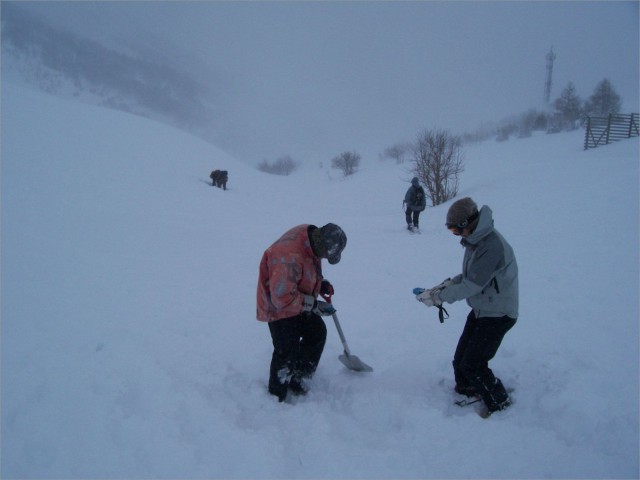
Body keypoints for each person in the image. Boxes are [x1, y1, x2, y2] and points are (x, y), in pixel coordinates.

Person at [415, 197, 518, 416]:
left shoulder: (491, 246)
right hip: (483, 309)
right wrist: (445, 286)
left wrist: (440, 298)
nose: (456, 235)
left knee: (473, 363)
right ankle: (468, 389)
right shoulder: (476, 240)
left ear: (468, 224)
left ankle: (499, 403)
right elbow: (470, 276)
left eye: (456, 230)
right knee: (460, 360)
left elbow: (473, 284)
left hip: (498, 313)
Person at [257, 223, 347, 402]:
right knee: (286, 349)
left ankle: (298, 377)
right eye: (326, 255)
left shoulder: (311, 237)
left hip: (297, 298)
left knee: (317, 333)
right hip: (278, 307)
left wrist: (318, 283)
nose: (325, 258)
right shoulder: (288, 257)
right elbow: (281, 298)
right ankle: (277, 395)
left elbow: (305, 265)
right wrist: (312, 304)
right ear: (321, 245)